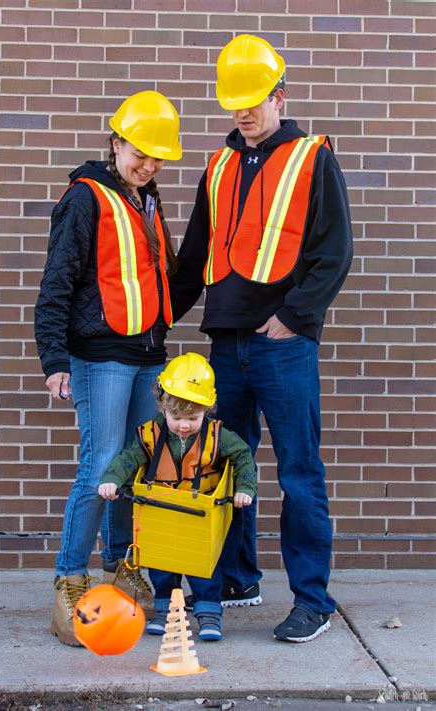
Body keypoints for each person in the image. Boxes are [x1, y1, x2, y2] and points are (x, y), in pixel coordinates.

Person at [168, 35, 353, 643]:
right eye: (234, 103)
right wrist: (157, 315)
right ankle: (237, 579)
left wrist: (296, 317)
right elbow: (195, 256)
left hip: (284, 345)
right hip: (226, 346)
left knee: (299, 473)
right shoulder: (217, 166)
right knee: (222, 468)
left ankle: (312, 600)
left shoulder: (311, 156)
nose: (243, 112)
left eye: (253, 100)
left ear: (279, 95)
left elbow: (333, 252)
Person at [34, 90, 182, 647]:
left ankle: (124, 575)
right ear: (116, 141)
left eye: (157, 156)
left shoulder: (147, 200)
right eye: (139, 150)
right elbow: (56, 283)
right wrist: (54, 360)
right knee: (100, 466)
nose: (147, 163)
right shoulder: (85, 199)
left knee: (137, 466)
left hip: (147, 357)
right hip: (101, 357)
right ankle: (70, 584)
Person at [98, 352, 257, 641]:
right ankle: (165, 611)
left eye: (193, 418)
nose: (184, 425)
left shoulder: (218, 436)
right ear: (162, 408)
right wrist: (111, 479)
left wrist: (245, 489)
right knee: (162, 567)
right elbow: (128, 458)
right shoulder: (150, 434)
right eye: (176, 417)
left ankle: (209, 614)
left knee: (204, 568)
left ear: (208, 408)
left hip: (200, 516)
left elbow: (243, 456)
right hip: (161, 513)